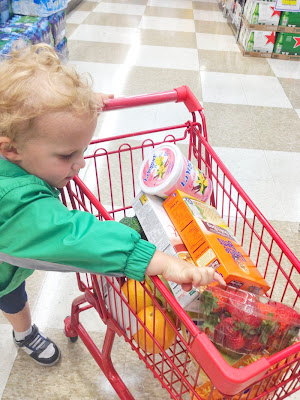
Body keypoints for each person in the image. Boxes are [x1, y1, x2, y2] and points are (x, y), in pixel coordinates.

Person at [0, 43, 225, 367]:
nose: (81, 164)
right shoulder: (16, 204)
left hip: (9, 263)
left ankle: (22, 334)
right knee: (9, 291)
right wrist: (159, 262)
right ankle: (24, 334)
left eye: (81, 150)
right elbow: (77, 236)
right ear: (11, 150)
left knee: (12, 291)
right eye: (66, 155)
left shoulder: (13, 139)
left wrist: (73, 106)